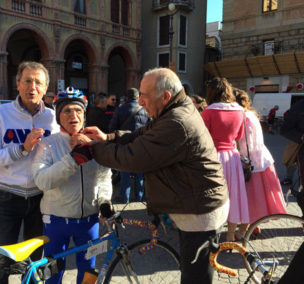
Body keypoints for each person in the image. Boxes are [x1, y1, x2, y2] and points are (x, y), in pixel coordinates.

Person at [81, 68, 229, 284]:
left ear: (166, 96)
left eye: (144, 96)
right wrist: (108, 137)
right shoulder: (174, 108)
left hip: (199, 211)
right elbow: (142, 134)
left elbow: (133, 158)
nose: (140, 102)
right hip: (195, 203)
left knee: (195, 278)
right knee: (192, 270)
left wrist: (93, 148)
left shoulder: (177, 121)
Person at [0, 61, 59, 284]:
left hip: (41, 199)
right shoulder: (0, 113)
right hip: (7, 196)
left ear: (45, 89)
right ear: (17, 84)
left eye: (38, 82)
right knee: (0, 262)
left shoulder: (52, 118)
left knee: (36, 263)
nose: (32, 87)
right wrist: (21, 149)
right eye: (27, 81)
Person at [31, 87, 112, 284]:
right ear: (58, 116)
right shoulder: (47, 145)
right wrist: (72, 160)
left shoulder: (94, 143)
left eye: (78, 110)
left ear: (85, 115)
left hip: (89, 221)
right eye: (67, 110)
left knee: (88, 274)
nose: (73, 115)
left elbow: (104, 177)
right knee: (52, 274)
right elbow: (42, 181)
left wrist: (104, 200)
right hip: (57, 221)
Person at [202, 78, 249, 242]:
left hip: (213, 158)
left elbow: (202, 137)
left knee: (213, 198)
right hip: (233, 157)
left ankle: (212, 236)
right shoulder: (239, 111)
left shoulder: (208, 111)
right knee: (234, 196)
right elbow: (239, 136)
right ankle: (230, 237)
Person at [234, 89, 286, 224]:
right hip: (262, 158)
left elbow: (245, 141)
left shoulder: (241, 116)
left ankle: (250, 225)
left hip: (249, 161)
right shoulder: (251, 114)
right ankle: (256, 224)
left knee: (251, 198)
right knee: (261, 198)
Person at [109, 88, 149, 203]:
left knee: (124, 171)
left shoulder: (120, 109)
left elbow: (112, 128)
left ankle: (124, 198)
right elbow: (151, 126)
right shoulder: (145, 110)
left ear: (126, 97)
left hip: (124, 144)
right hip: (140, 145)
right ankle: (139, 198)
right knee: (139, 172)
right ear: (137, 97)